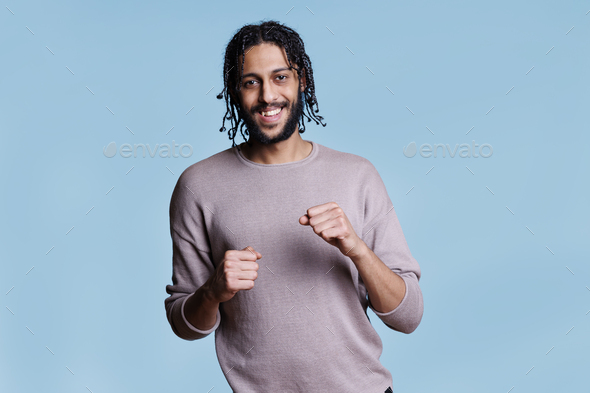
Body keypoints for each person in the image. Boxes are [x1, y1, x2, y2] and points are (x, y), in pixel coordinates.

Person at [164, 20, 423, 393]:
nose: (268, 95)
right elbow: (183, 324)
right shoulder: (198, 186)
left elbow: (408, 316)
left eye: (280, 77)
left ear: (302, 81)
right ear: (235, 92)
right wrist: (212, 291)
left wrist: (357, 250)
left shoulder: (357, 175)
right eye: (251, 81)